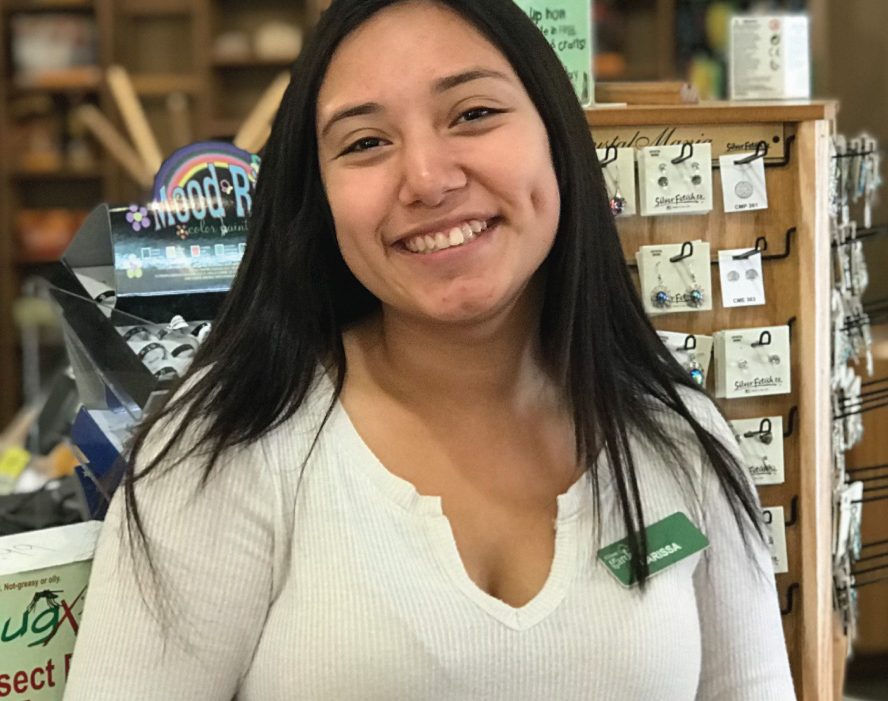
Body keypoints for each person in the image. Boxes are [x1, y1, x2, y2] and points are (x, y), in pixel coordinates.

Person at [63, 0, 795, 698]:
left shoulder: (676, 435)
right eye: (365, 142)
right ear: (316, 196)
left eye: (473, 113)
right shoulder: (235, 439)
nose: (428, 179)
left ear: (557, 135)